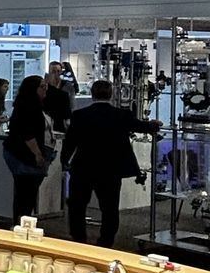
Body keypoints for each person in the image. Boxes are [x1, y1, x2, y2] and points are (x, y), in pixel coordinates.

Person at [61, 81, 158, 247]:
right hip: (111, 169)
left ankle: (78, 238)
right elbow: (140, 126)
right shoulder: (122, 115)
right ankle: (106, 241)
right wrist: (153, 125)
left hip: (83, 167)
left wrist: (65, 160)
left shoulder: (79, 115)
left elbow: (70, 141)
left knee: (77, 205)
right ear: (111, 94)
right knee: (109, 208)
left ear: (92, 94)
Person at [3, 74, 53, 223]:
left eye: (46, 87)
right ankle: (21, 222)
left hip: (23, 153)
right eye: (42, 87)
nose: (45, 90)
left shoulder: (32, 105)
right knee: (26, 193)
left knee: (25, 193)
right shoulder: (29, 107)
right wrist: (37, 154)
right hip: (24, 155)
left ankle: (20, 221)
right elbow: (27, 134)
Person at [43, 60, 75, 130]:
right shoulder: (44, 86)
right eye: (53, 71)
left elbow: (71, 105)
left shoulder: (68, 86)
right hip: (46, 120)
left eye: (58, 71)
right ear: (49, 72)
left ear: (61, 72)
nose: (56, 74)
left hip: (61, 120)